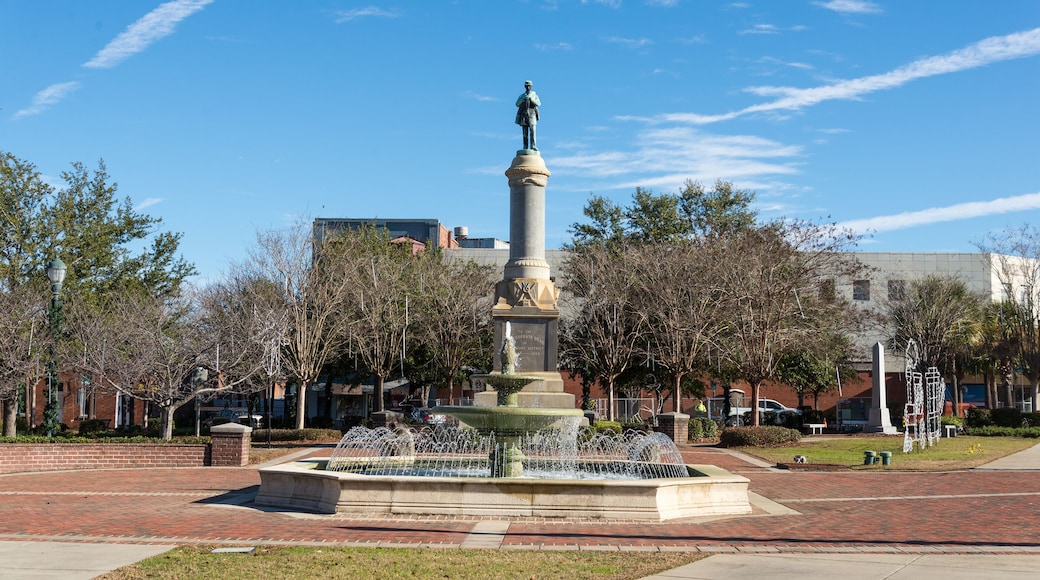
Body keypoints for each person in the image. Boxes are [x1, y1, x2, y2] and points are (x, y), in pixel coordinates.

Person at [515, 80, 540, 150]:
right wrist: (523, 99)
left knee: (533, 131)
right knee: (525, 133)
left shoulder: (534, 95)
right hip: (524, 114)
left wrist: (531, 99)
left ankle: (533, 146)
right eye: (526, 85)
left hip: (532, 114)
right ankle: (525, 146)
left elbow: (538, 103)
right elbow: (517, 104)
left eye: (529, 85)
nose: (528, 87)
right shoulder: (522, 95)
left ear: (531, 86)